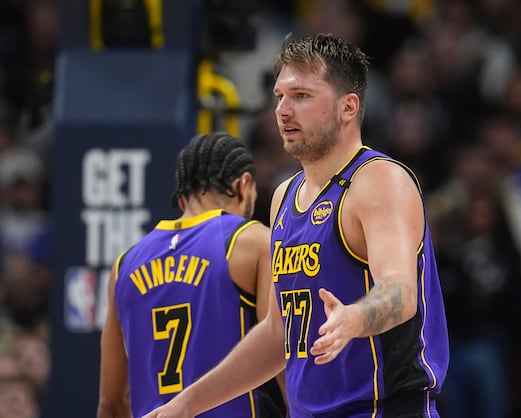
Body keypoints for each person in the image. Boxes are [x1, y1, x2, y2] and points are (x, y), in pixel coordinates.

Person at [143, 33, 449, 418]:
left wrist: (355, 317)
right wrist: (187, 405)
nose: (283, 110)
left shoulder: (378, 180)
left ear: (348, 107)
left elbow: (400, 292)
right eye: (279, 97)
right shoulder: (285, 195)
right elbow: (276, 336)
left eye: (301, 96)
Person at [97, 132, 286, 418]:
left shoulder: (124, 266)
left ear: (183, 200)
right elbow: (280, 351)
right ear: (243, 185)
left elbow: (111, 403)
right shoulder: (253, 241)